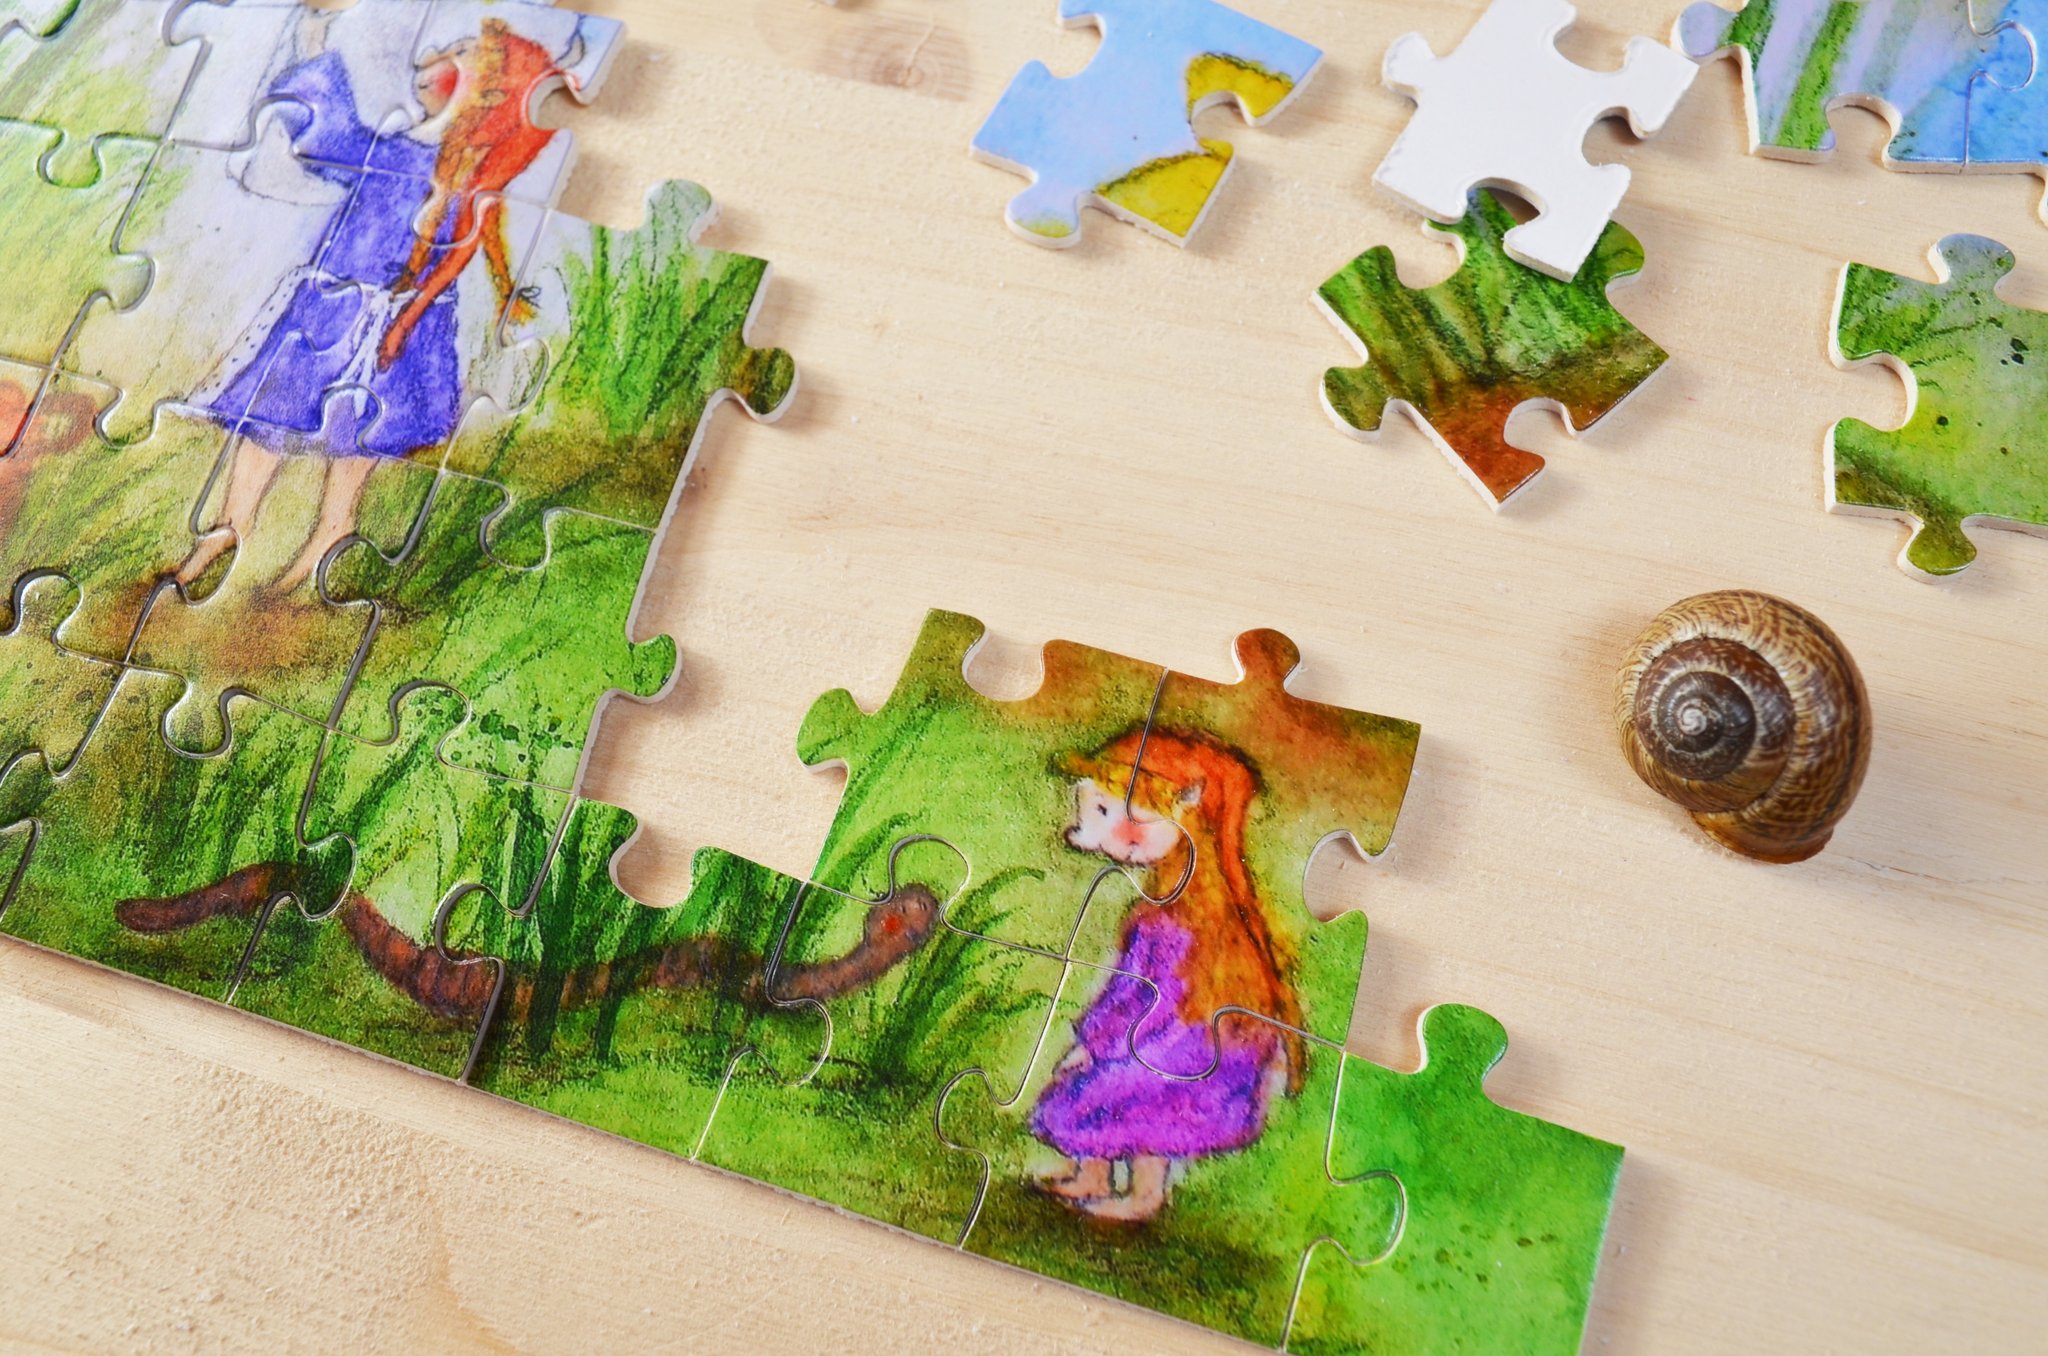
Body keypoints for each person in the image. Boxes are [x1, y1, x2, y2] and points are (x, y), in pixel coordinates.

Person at [177, 13, 574, 592]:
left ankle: (331, 534)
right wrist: (313, 44)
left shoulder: (471, 182)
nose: (440, 52)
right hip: (329, 308)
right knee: (271, 411)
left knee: (363, 430)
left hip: (400, 323)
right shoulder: (389, 148)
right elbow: (327, 139)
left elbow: (452, 262)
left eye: (463, 51)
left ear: (489, 91)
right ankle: (229, 527)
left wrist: (405, 322)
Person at [1030, 728, 1305, 1222]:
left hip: (1187, 1053)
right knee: (1091, 1086)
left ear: (1189, 811)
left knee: (1130, 1099)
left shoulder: (1187, 924)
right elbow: (1130, 991)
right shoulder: (1162, 912)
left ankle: (1144, 1196)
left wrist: (1099, 1043)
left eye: (1119, 814)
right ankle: (1093, 1175)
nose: (1098, 833)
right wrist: (1095, 1041)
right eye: (1099, 810)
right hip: (1163, 1042)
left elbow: (1153, 1002)